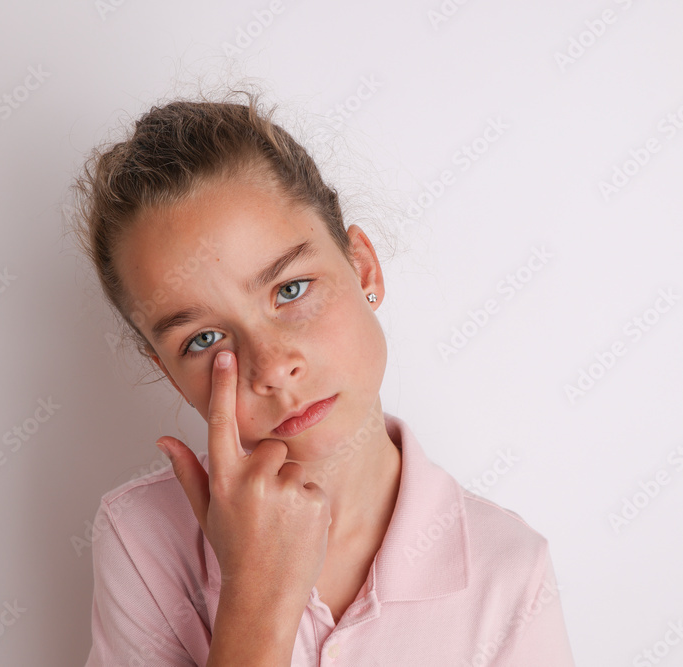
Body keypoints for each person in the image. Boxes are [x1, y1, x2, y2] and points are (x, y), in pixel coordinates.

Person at [71, 88, 575, 666]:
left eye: (290, 289)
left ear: (363, 266)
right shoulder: (144, 539)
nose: (272, 367)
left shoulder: (508, 569)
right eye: (204, 340)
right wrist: (257, 594)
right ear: (168, 372)